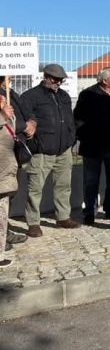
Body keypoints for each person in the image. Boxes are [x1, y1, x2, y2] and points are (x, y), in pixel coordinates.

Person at [21, 64, 80, 237]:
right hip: (41, 151)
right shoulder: (30, 96)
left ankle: (63, 217)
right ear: (46, 77)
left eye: (61, 80)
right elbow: (26, 122)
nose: (58, 83)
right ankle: (33, 222)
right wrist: (35, 142)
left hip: (63, 150)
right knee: (35, 188)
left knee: (64, 185)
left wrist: (71, 139)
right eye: (55, 79)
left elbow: (70, 120)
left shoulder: (64, 96)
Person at [73, 66, 110, 225]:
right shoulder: (88, 94)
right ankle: (90, 211)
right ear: (104, 80)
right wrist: (84, 135)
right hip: (93, 145)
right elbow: (78, 119)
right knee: (91, 180)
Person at [0, 78, 35, 251]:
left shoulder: (10, 92)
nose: (10, 77)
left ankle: (4, 232)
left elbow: (25, 112)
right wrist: (4, 116)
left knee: (8, 194)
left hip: (12, 152)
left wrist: (31, 123)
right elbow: (6, 120)